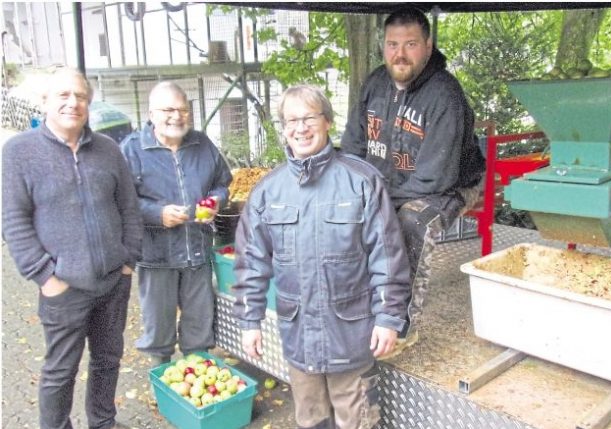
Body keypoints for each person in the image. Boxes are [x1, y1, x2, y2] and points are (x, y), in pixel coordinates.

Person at [232, 84, 411, 429]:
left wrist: (389, 318)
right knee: (311, 420)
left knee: (356, 422)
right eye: (291, 120)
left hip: (352, 333)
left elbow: (387, 256)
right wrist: (249, 321)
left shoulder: (361, 180)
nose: (300, 128)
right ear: (283, 128)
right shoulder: (268, 191)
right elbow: (251, 261)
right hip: (299, 337)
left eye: (309, 117)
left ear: (327, 121)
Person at [341, 8, 486, 359]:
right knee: (344, 210)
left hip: (449, 186)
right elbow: (353, 145)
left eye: (410, 44)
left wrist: (380, 202)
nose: (400, 53)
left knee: (409, 221)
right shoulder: (375, 83)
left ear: (428, 45)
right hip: (387, 184)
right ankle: (356, 306)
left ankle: (402, 325)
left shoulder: (445, 95)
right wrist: (356, 192)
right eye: (392, 44)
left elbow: (435, 176)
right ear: (383, 46)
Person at [2, 67, 142, 429]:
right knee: (60, 371)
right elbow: (13, 221)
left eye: (80, 96)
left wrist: (128, 262)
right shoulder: (19, 153)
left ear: (89, 104)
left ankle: (103, 422)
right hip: (63, 287)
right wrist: (46, 276)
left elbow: (129, 207)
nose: (72, 103)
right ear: (45, 101)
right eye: (63, 95)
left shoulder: (109, 150)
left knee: (108, 360)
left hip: (113, 282)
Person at [120, 81, 232, 366]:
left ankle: (198, 380)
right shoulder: (131, 150)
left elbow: (223, 183)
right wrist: (157, 215)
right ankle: (163, 381)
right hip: (156, 256)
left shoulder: (202, 143)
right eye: (168, 109)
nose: (176, 116)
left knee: (199, 326)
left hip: (197, 251)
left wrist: (215, 201)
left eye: (183, 109)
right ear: (151, 113)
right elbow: (119, 200)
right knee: (159, 329)